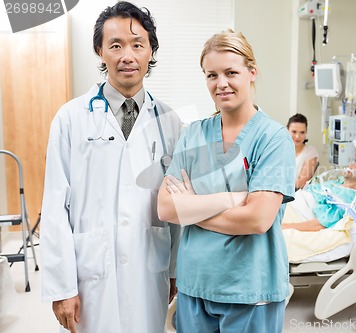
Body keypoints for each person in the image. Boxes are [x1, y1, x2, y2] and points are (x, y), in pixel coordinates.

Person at [40, 2, 183, 333]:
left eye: (137, 45)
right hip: (91, 274)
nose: (127, 56)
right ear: (100, 51)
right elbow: (54, 206)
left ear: (151, 51)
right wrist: (62, 287)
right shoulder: (71, 118)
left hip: (150, 267)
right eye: (115, 45)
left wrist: (176, 269)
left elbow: (178, 207)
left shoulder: (170, 122)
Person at [157, 29, 295, 333]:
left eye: (231, 72)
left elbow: (257, 219)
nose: (221, 83)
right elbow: (167, 208)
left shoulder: (273, 138)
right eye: (211, 75)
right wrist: (231, 200)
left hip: (250, 287)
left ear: (252, 72)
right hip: (195, 285)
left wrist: (192, 209)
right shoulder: (193, 134)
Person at [282, 159, 356, 232]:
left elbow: (321, 224)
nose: (351, 166)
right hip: (288, 202)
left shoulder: (347, 199)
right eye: (355, 163)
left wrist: (286, 226)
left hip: (295, 212)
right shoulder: (336, 184)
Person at [287, 113, 319, 190]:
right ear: (287, 130)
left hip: (296, 195)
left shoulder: (310, 152)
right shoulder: (279, 149)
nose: (297, 136)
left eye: (302, 132)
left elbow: (301, 182)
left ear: (306, 133)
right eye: (294, 132)